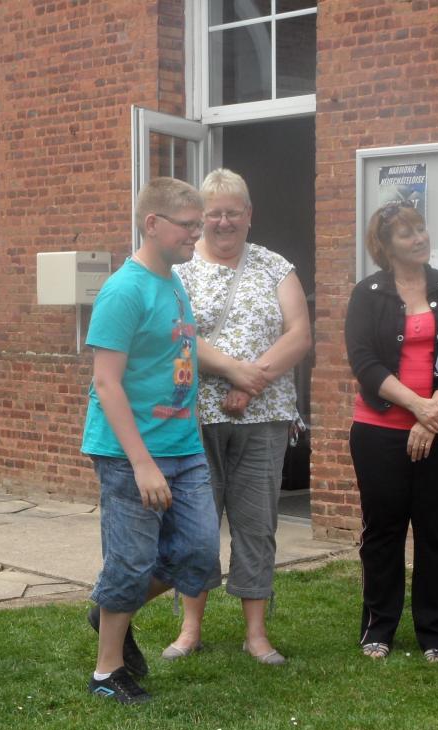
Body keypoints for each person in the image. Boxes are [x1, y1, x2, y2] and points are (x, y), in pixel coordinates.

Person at [80, 177, 224, 704]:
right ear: (152, 224)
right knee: (131, 561)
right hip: (129, 453)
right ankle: (107, 673)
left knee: (200, 556)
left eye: (198, 223)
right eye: (188, 225)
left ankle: (106, 609)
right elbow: (106, 382)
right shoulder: (125, 289)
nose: (197, 233)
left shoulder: (172, 282)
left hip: (183, 447)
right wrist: (142, 463)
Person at [173, 168, 312, 665]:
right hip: (193, 419)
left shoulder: (276, 268)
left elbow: (299, 334)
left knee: (257, 525)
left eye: (234, 212)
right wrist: (238, 373)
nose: (224, 222)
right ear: (200, 218)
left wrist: (253, 384)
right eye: (214, 213)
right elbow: (176, 333)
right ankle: (190, 628)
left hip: (264, 418)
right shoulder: (179, 270)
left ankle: (256, 633)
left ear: (249, 216)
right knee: (196, 525)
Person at [344, 200, 438, 662]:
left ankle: (436, 633)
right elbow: (363, 361)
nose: (419, 238)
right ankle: (378, 627)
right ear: (385, 245)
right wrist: (418, 407)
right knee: (383, 530)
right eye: (406, 234)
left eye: (420, 228)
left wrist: (433, 414)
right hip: (379, 430)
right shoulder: (367, 293)